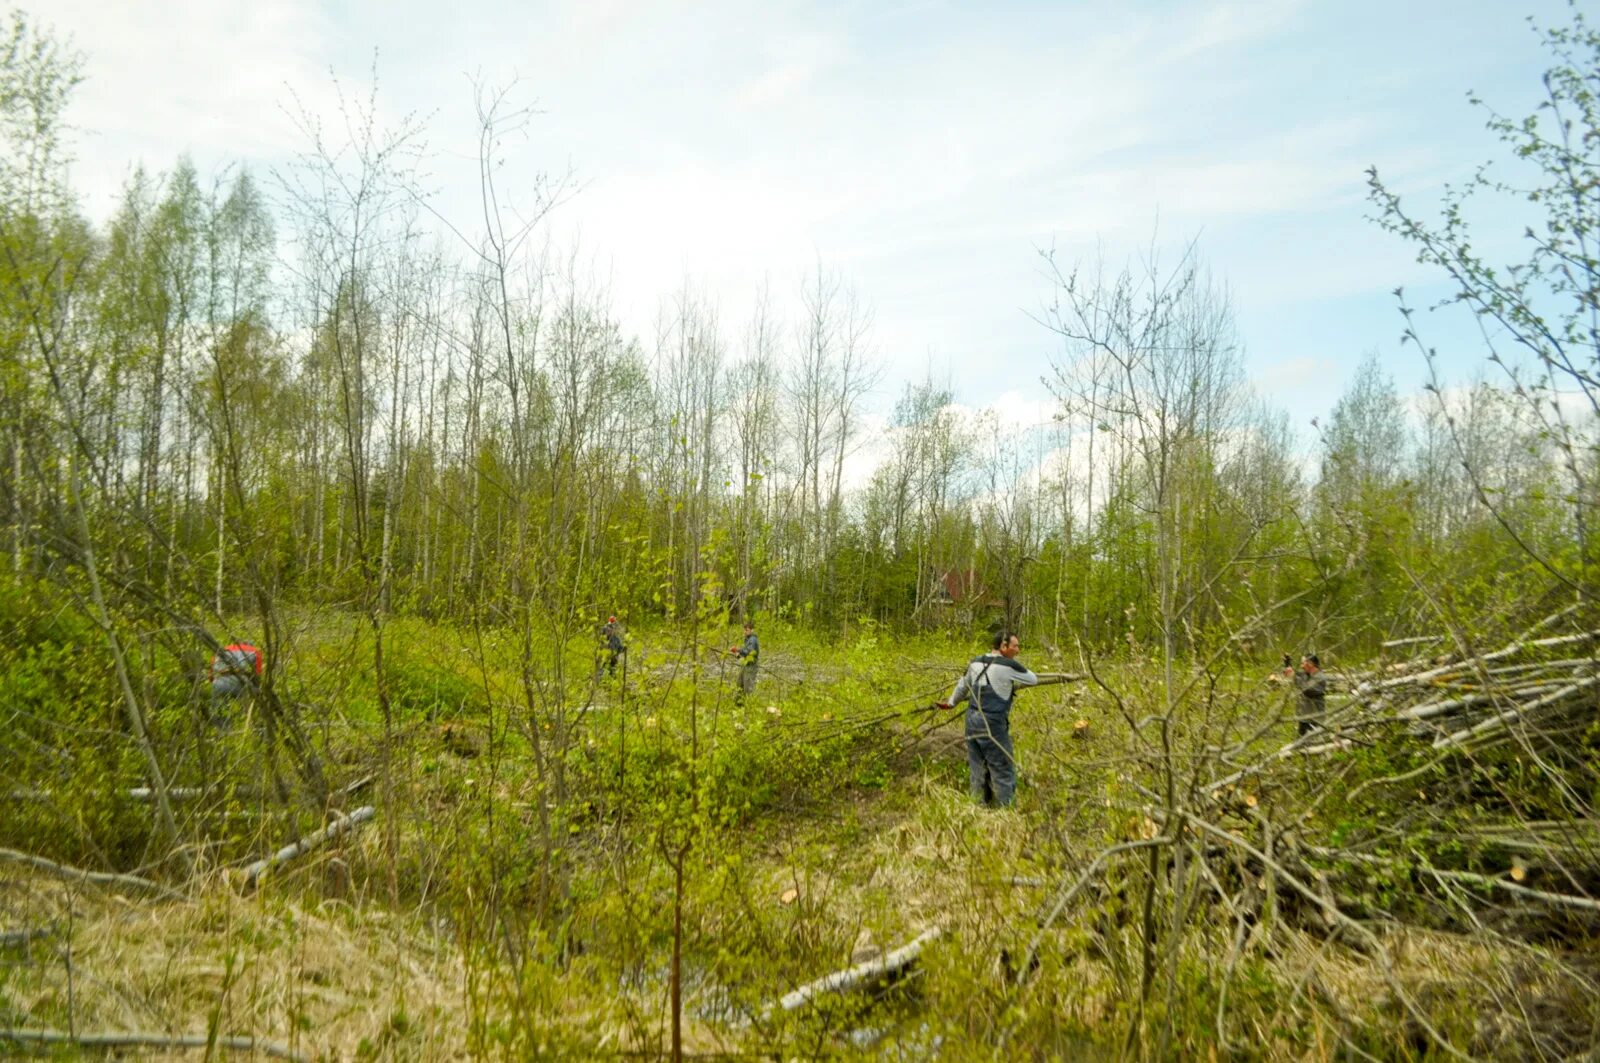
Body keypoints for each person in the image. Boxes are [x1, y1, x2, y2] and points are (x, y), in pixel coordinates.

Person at [938, 631, 1040, 807]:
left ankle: (977, 808)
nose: (1018, 650)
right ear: (1003, 646)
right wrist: (1011, 678)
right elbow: (1033, 679)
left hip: (972, 720)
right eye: (1015, 646)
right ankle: (1005, 810)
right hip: (992, 723)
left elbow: (963, 685)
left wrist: (951, 703)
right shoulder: (1008, 666)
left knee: (977, 768)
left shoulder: (975, 661)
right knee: (1002, 768)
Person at [210, 638, 262, 719]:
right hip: (241, 683)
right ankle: (249, 723)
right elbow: (257, 675)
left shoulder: (219, 652)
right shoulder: (255, 651)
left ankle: (221, 729)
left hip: (218, 684)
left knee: (219, 714)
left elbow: (210, 676)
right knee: (246, 713)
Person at [1293, 653, 1326, 736]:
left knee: (1314, 744)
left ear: (1311, 664)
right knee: (1300, 743)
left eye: (1303, 663)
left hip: (1315, 719)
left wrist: (1294, 677)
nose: (1302, 666)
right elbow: (1292, 673)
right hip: (1303, 718)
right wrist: (1287, 663)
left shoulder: (1320, 677)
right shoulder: (1305, 675)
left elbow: (1308, 690)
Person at [728, 620, 759, 704]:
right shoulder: (747, 639)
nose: (745, 631)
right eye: (744, 630)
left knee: (748, 688)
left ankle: (748, 709)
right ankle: (738, 706)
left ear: (752, 630)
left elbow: (749, 652)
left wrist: (737, 649)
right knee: (739, 685)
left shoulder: (753, 639)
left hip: (751, 667)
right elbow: (745, 655)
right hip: (745, 665)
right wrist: (737, 655)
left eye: (747, 630)